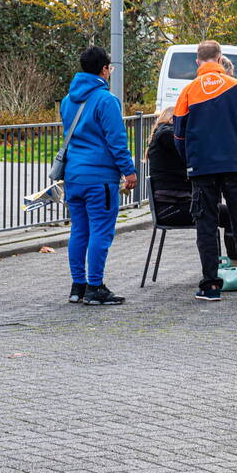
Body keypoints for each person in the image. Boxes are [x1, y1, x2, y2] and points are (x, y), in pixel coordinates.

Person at [173, 40, 237, 301]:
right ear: (220, 58)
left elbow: (179, 135)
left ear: (197, 62)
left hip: (201, 168)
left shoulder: (188, 92)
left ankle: (210, 285)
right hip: (235, 166)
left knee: (205, 225)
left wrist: (190, 159)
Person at [146, 106, 237, 274]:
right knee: (232, 214)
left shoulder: (163, 135)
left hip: (176, 203)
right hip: (173, 208)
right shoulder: (167, 135)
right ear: (175, 119)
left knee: (230, 213)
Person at [61, 46, 138, 305]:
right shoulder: (106, 101)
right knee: (101, 233)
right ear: (104, 69)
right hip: (100, 178)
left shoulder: (68, 100)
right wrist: (129, 171)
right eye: (110, 68)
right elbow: (116, 141)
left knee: (79, 231)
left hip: (73, 176)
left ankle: (77, 286)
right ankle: (95, 287)